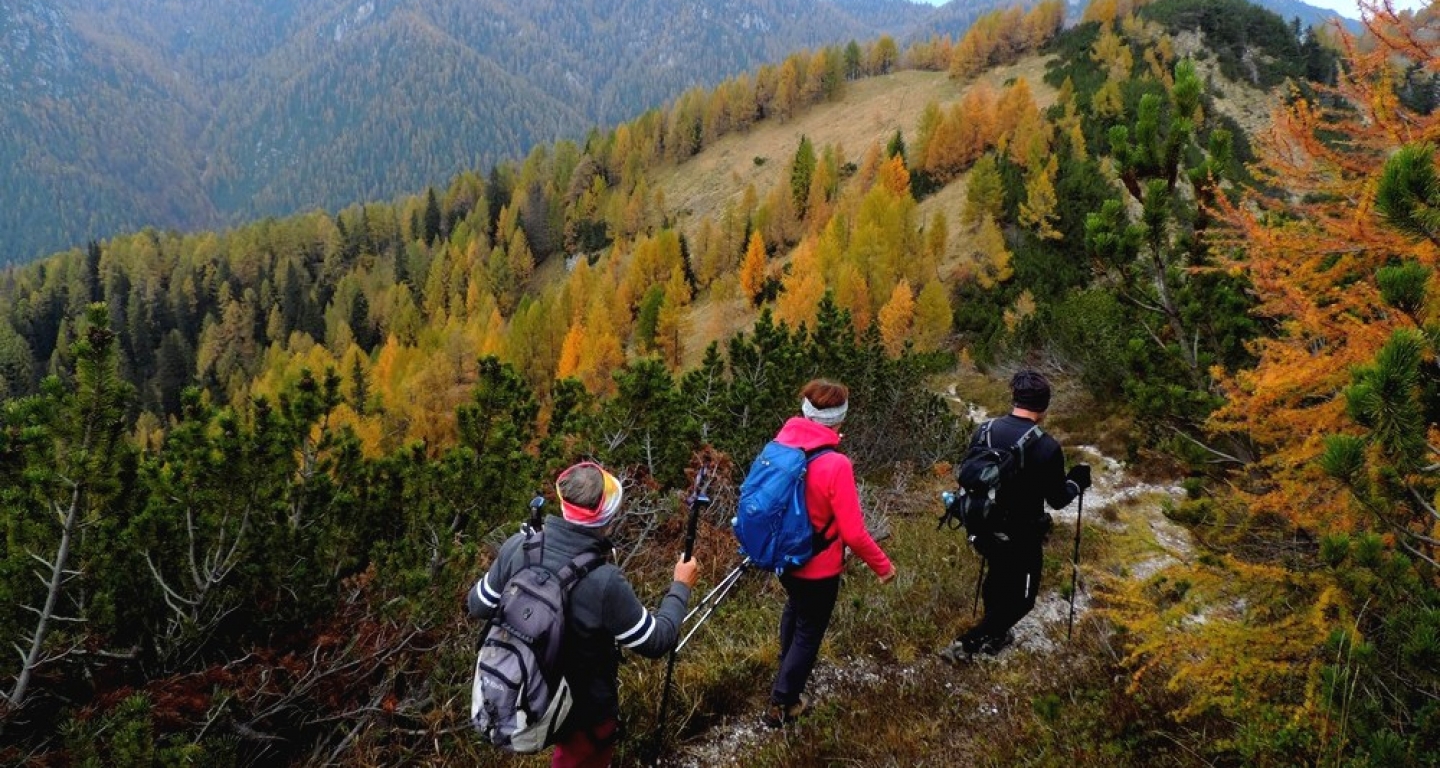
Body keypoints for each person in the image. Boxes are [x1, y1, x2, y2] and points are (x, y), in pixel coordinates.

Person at [468, 462, 699, 768]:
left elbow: (477, 605)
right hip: (584, 712)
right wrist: (680, 586)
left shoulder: (518, 547)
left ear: (563, 503)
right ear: (610, 517)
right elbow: (656, 640)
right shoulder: (605, 581)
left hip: (530, 689)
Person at [763, 379, 897, 728]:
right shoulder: (836, 465)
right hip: (818, 568)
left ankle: (785, 666)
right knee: (809, 631)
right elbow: (853, 532)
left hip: (784, 560)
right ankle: (784, 702)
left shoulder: (780, 445)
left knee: (795, 609)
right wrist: (882, 566)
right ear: (839, 420)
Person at [940, 369, 1090, 663]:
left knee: (997, 579)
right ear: (1044, 406)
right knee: (1023, 600)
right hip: (1022, 534)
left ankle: (994, 635)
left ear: (1015, 398)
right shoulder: (1047, 447)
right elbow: (1058, 500)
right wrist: (1076, 481)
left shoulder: (983, 430)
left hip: (982, 525)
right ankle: (967, 644)